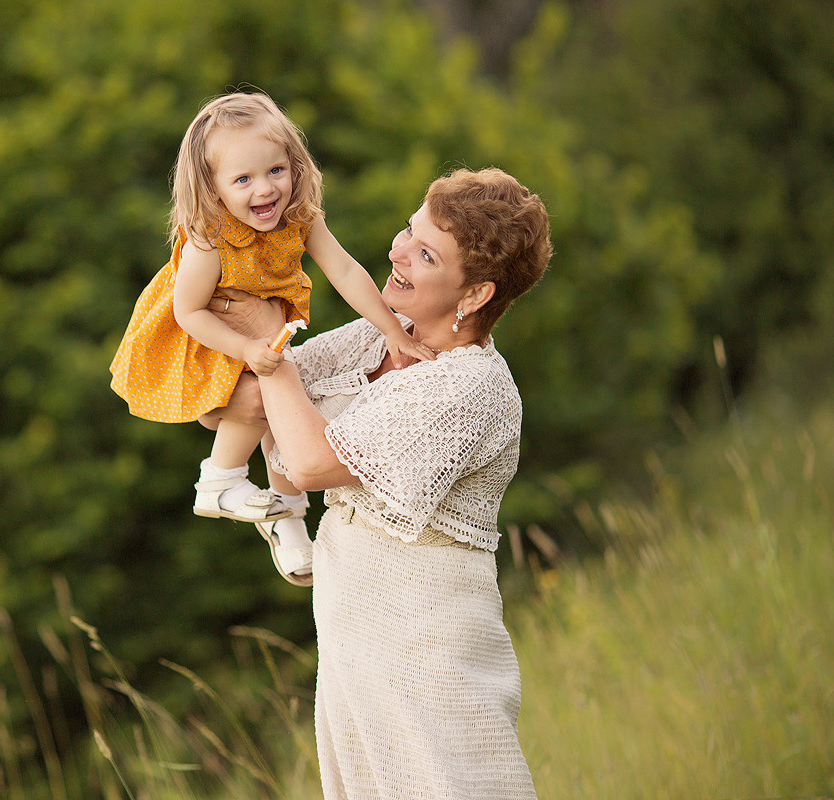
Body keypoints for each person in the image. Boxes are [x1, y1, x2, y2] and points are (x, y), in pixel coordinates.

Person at [209, 166, 551, 799]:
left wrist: (266, 342)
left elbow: (310, 463)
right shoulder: (376, 336)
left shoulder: (472, 387)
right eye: (408, 230)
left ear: (476, 294)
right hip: (353, 646)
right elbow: (240, 401)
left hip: (428, 654)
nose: (398, 252)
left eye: (427, 254)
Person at [109, 92, 433, 585]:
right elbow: (187, 311)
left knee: (282, 409)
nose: (265, 189)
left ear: (294, 166)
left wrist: (392, 329)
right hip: (204, 339)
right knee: (264, 400)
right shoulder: (209, 238)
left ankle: (287, 516)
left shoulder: (299, 217)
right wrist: (245, 349)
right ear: (213, 187)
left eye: (276, 170)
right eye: (243, 179)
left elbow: (344, 271)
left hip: (258, 333)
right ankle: (219, 480)